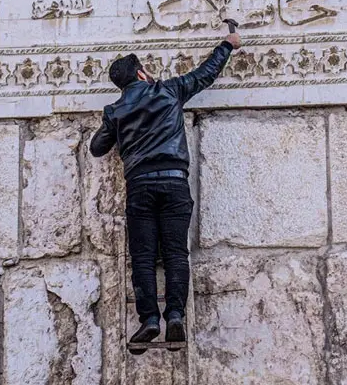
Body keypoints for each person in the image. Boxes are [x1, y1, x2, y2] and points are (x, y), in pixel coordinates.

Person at [90, 33, 242, 350]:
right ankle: (175, 316)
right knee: (175, 254)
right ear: (142, 74)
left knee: (143, 258)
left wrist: (114, 123)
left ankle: (148, 320)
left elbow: (97, 148)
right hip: (174, 183)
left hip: (140, 187)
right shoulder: (169, 91)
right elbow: (205, 73)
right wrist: (227, 44)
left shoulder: (115, 111)